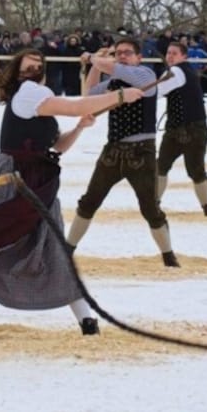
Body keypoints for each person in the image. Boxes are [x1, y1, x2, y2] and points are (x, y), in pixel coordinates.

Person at [0, 48, 144, 338]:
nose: (33, 71)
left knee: (51, 248)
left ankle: (87, 321)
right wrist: (120, 96)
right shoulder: (28, 92)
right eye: (27, 67)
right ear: (18, 73)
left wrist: (79, 128)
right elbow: (76, 105)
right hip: (12, 180)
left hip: (38, 183)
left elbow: (57, 146)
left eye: (37, 66)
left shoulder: (40, 97)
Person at [67, 38, 180, 268]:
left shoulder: (145, 75)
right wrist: (95, 66)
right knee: (89, 202)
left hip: (141, 152)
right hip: (113, 150)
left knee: (150, 208)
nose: (122, 56)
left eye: (128, 53)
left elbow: (112, 68)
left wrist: (93, 59)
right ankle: (67, 250)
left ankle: (168, 256)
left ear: (139, 58)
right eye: (118, 53)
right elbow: (89, 97)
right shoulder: (114, 82)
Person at [156, 42, 207, 217]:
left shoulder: (176, 71)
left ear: (184, 56)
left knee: (189, 170)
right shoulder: (181, 70)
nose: (170, 56)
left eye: (174, 53)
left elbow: (157, 90)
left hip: (192, 130)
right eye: (168, 52)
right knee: (166, 167)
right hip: (179, 128)